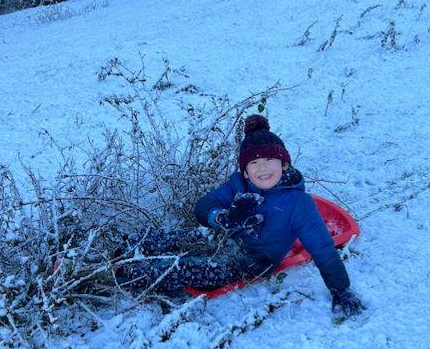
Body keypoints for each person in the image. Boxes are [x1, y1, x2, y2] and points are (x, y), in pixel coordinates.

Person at [115, 115, 367, 318]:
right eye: (254, 164)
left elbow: (323, 249)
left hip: (246, 262)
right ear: (245, 171)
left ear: (285, 165)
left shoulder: (298, 204)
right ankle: (122, 250)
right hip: (223, 237)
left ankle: (119, 274)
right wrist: (220, 217)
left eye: (270, 160)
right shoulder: (239, 184)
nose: (263, 168)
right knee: (175, 237)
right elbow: (205, 205)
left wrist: (340, 289)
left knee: (181, 269)